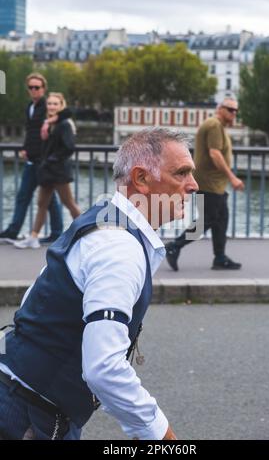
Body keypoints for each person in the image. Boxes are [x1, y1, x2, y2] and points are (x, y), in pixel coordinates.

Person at [0, 128, 198, 440]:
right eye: (182, 173)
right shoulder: (119, 247)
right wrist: (159, 433)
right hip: (29, 415)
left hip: (24, 397)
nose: (193, 185)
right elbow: (103, 368)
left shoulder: (101, 221)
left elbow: (34, 302)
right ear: (142, 179)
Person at [165, 98, 244, 271]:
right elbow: (215, 154)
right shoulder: (214, 125)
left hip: (215, 184)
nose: (234, 113)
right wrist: (232, 178)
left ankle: (220, 258)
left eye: (236, 110)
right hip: (209, 183)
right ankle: (174, 246)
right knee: (207, 220)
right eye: (230, 109)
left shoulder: (218, 126)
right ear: (220, 109)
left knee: (220, 219)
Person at [0, 73, 63, 245]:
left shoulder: (47, 105)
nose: (34, 90)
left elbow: (66, 113)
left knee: (50, 200)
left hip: (43, 161)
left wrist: (53, 119)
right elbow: (31, 132)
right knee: (24, 196)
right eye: (31, 87)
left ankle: (57, 233)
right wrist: (24, 148)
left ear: (43, 89)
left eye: (37, 87)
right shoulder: (30, 106)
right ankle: (14, 231)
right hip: (32, 159)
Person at [14, 93, 81, 249]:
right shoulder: (49, 123)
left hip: (58, 171)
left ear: (61, 105)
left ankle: (88, 233)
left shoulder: (64, 124)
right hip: (48, 171)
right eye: (50, 103)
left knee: (69, 203)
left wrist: (51, 160)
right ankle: (33, 237)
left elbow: (69, 147)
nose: (51, 106)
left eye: (55, 104)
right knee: (41, 203)